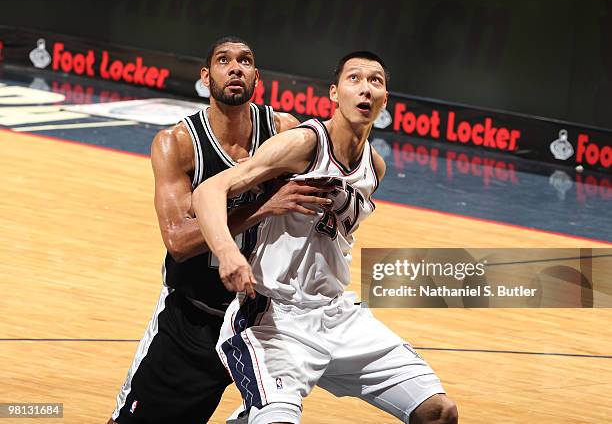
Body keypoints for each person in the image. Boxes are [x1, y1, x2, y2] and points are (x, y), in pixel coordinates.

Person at [192, 51, 459, 424]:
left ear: (385, 99)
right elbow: (208, 190)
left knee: (439, 411)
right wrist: (228, 252)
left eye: (375, 81)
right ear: (334, 93)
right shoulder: (304, 143)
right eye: (355, 79)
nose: (365, 89)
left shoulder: (374, 166)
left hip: (338, 315)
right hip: (274, 317)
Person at [108, 37, 331, 424]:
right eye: (224, 60)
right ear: (205, 76)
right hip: (196, 317)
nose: (235, 68)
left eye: (245, 61)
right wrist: (262, 208)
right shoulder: (177, 144)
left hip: (264, 321)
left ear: (257, 77)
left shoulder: (283, 132)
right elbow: (178, 241)